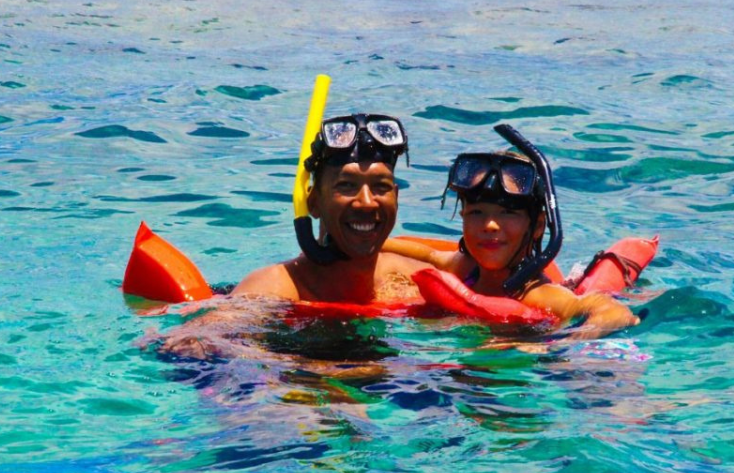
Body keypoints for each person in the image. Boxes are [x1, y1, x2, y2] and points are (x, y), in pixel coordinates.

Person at [383, 150, 639, 338]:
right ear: (462, 218)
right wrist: (374, 244)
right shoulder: (466, 268)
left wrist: (565, 344)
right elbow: (428, 255)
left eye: (508, 213)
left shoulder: (538, 295)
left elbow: (614, 312)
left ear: (538, 226)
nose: (490, 225)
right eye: (477, 213)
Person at [231, 113, 429, 304]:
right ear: (314, 202)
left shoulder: (413, 281)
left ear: (396, 197)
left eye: (381, 186)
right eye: (347, 185)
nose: (367, 202)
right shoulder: (272, 292)